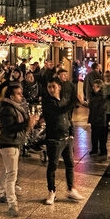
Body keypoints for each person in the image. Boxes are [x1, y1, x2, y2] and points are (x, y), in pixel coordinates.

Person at [39, 74, 84, 204]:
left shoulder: (63, 99)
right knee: (52, 166)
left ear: (59, 87)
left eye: (54, 86)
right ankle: (51, 192)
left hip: (66, 138)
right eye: (49, 87)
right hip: (54, 139)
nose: (51, 89)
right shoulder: (47, 102)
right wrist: (74, 101)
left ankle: (71, 189)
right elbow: (59, 110)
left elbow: (68, 116)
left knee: (69, 164)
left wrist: (71, 133)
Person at [0, 81, 37, 217]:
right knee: (12, 175)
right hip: (9, 143)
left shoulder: (13, 107)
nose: (21, 96)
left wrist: (32, 123)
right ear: (11, 97)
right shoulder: (7, 109)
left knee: (7, 170)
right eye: (18, 94)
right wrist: (27, 123)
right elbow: (9, 128)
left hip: (13, 142)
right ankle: (12, 204)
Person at [86, 64, 107, 156]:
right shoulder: (94, 95)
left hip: (100, 119)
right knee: (94, 134)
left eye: (95, 86)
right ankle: (94, 149)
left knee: (101, 136)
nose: (93, 88)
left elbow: (101, 108)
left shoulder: (102, 96)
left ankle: (103, 150)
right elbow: (92, 106)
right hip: (95, 118)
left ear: (99, 87)